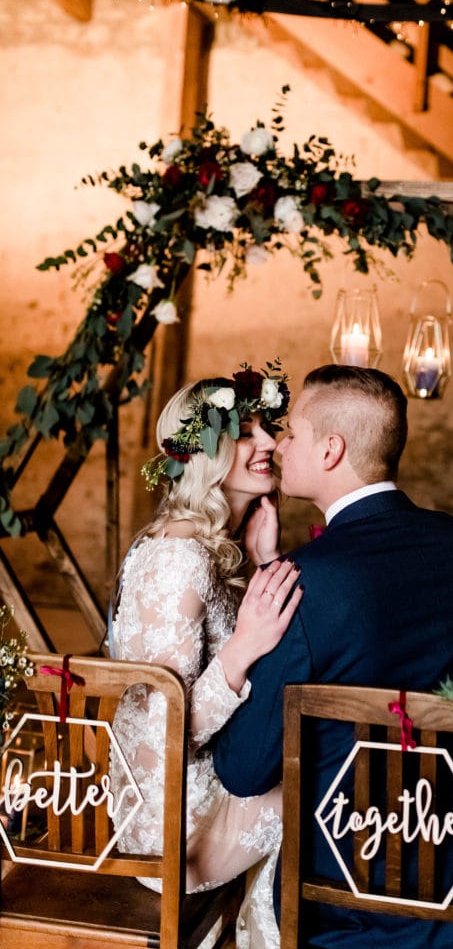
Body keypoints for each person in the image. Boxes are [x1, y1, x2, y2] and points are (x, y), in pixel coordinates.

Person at [213, 364, 453, 948]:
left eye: (292, 434)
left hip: (341, 881)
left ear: (332, 450)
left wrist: (271, 576)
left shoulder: (307, 580)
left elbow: (244, 771)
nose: (280, 446)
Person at [109, 364, 302, 949]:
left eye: (267, 428)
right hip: (169, 822)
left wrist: (265, 559)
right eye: (247, 433)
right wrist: (242, 650)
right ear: (207, 453)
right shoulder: (178, 557)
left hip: (197, 788)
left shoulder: (208, 547)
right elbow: (162, 728)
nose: (269, 442)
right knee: (315, 790)